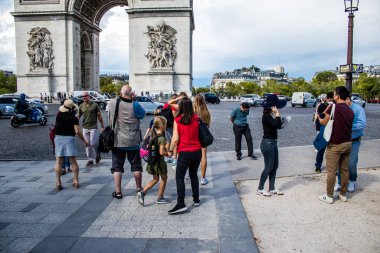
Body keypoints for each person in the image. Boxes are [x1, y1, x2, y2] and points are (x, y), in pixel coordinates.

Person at [108, 85, 145, 199]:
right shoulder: (135, 104)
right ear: (132, 93)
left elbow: (109, 117)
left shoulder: (112, 103)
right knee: (136, 166)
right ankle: (139, 188)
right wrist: (134, 100)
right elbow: (142, 115)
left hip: (118, 140)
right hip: (133, 140)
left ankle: (118, 192)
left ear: (121, 92)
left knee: (117, 166)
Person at [318, 86, 354, 204]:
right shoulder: (350, 110)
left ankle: (329, 196)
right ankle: (343, 194)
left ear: (338, 96)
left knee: (331, 171)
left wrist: (318, 118)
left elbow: (324, 122)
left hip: (335, 145)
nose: (333, 96)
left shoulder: (333, 107)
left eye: (334, 94)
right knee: (344, 170)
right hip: (348, 143)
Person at [168, 97, 202, 214]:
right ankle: (196, 199)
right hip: (197, 152)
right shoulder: (197, 118)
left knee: (179, 177)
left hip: (185, 153)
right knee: (193, 175)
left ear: (181, 107)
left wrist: (170, 150)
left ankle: (181, 203)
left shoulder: (178, 120)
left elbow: (175, 139)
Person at [54, 99, 89, 190]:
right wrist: (84, 141)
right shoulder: (74, 118)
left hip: (59, 138)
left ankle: (58, 182)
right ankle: (76, 181)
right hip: (70, 138)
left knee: (58, 161)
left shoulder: (58, 115)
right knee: (73, 161)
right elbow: (77, 131)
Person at [257, 94, 287, 196]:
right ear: (272, 106)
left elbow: (277, 125)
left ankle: (272, 188)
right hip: (267, 143)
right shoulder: (266, 116)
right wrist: (277, 114)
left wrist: (280, 119)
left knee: (274, 166)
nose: (277, 107)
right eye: (276, 106)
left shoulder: (269, 115)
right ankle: (260, 189)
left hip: (272, 143)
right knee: (268, 167)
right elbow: (277, 125)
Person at [335, 95, 367, 192]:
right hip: (341, 139)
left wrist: (348, 126)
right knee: (339, 163)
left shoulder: (358, 109)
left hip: (354, 139)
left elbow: (362, 123)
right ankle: (340, 182)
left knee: (352, 163)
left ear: (348, 99)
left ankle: (352, 180)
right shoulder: (339, 107)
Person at [137, 116, 171, 206]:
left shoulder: (153, 136)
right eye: (165, 124)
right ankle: (160, 197)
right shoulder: (162, 138)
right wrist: (169, 154)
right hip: (159, 163)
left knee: (155, 179)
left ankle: (142, 192)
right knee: (164, 178)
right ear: (162, 126)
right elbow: (161, 152)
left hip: (153, 162)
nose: (166, 126)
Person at [78, 92, 105, 167]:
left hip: (93, 127)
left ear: (89, 96)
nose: (84, 97)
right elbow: (79, 115)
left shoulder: (95, 105)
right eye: (83, 96)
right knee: (87, 144)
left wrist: (102, 125)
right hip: (85, 127)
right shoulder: (81, 106)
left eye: (85, 96)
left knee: (93, 143)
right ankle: (90, 160)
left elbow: (99, 116)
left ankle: (98, 154)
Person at [193, 94, 211, 185]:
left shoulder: (191, 111)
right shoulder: (206, 112)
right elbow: (208, 126)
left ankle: (191, 174)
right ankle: (203, 178)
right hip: (203, 137)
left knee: (191, 156)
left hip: (192, 136)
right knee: (203, 156)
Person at [314, 92, 334, 172]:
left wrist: (318, 119)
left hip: (324, 128)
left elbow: (320, 117)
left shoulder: (322, 105)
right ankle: (332, 168)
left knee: (321, 149)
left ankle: (318, 166)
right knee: (332, 151)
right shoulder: (332, 106)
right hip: (332, 129)